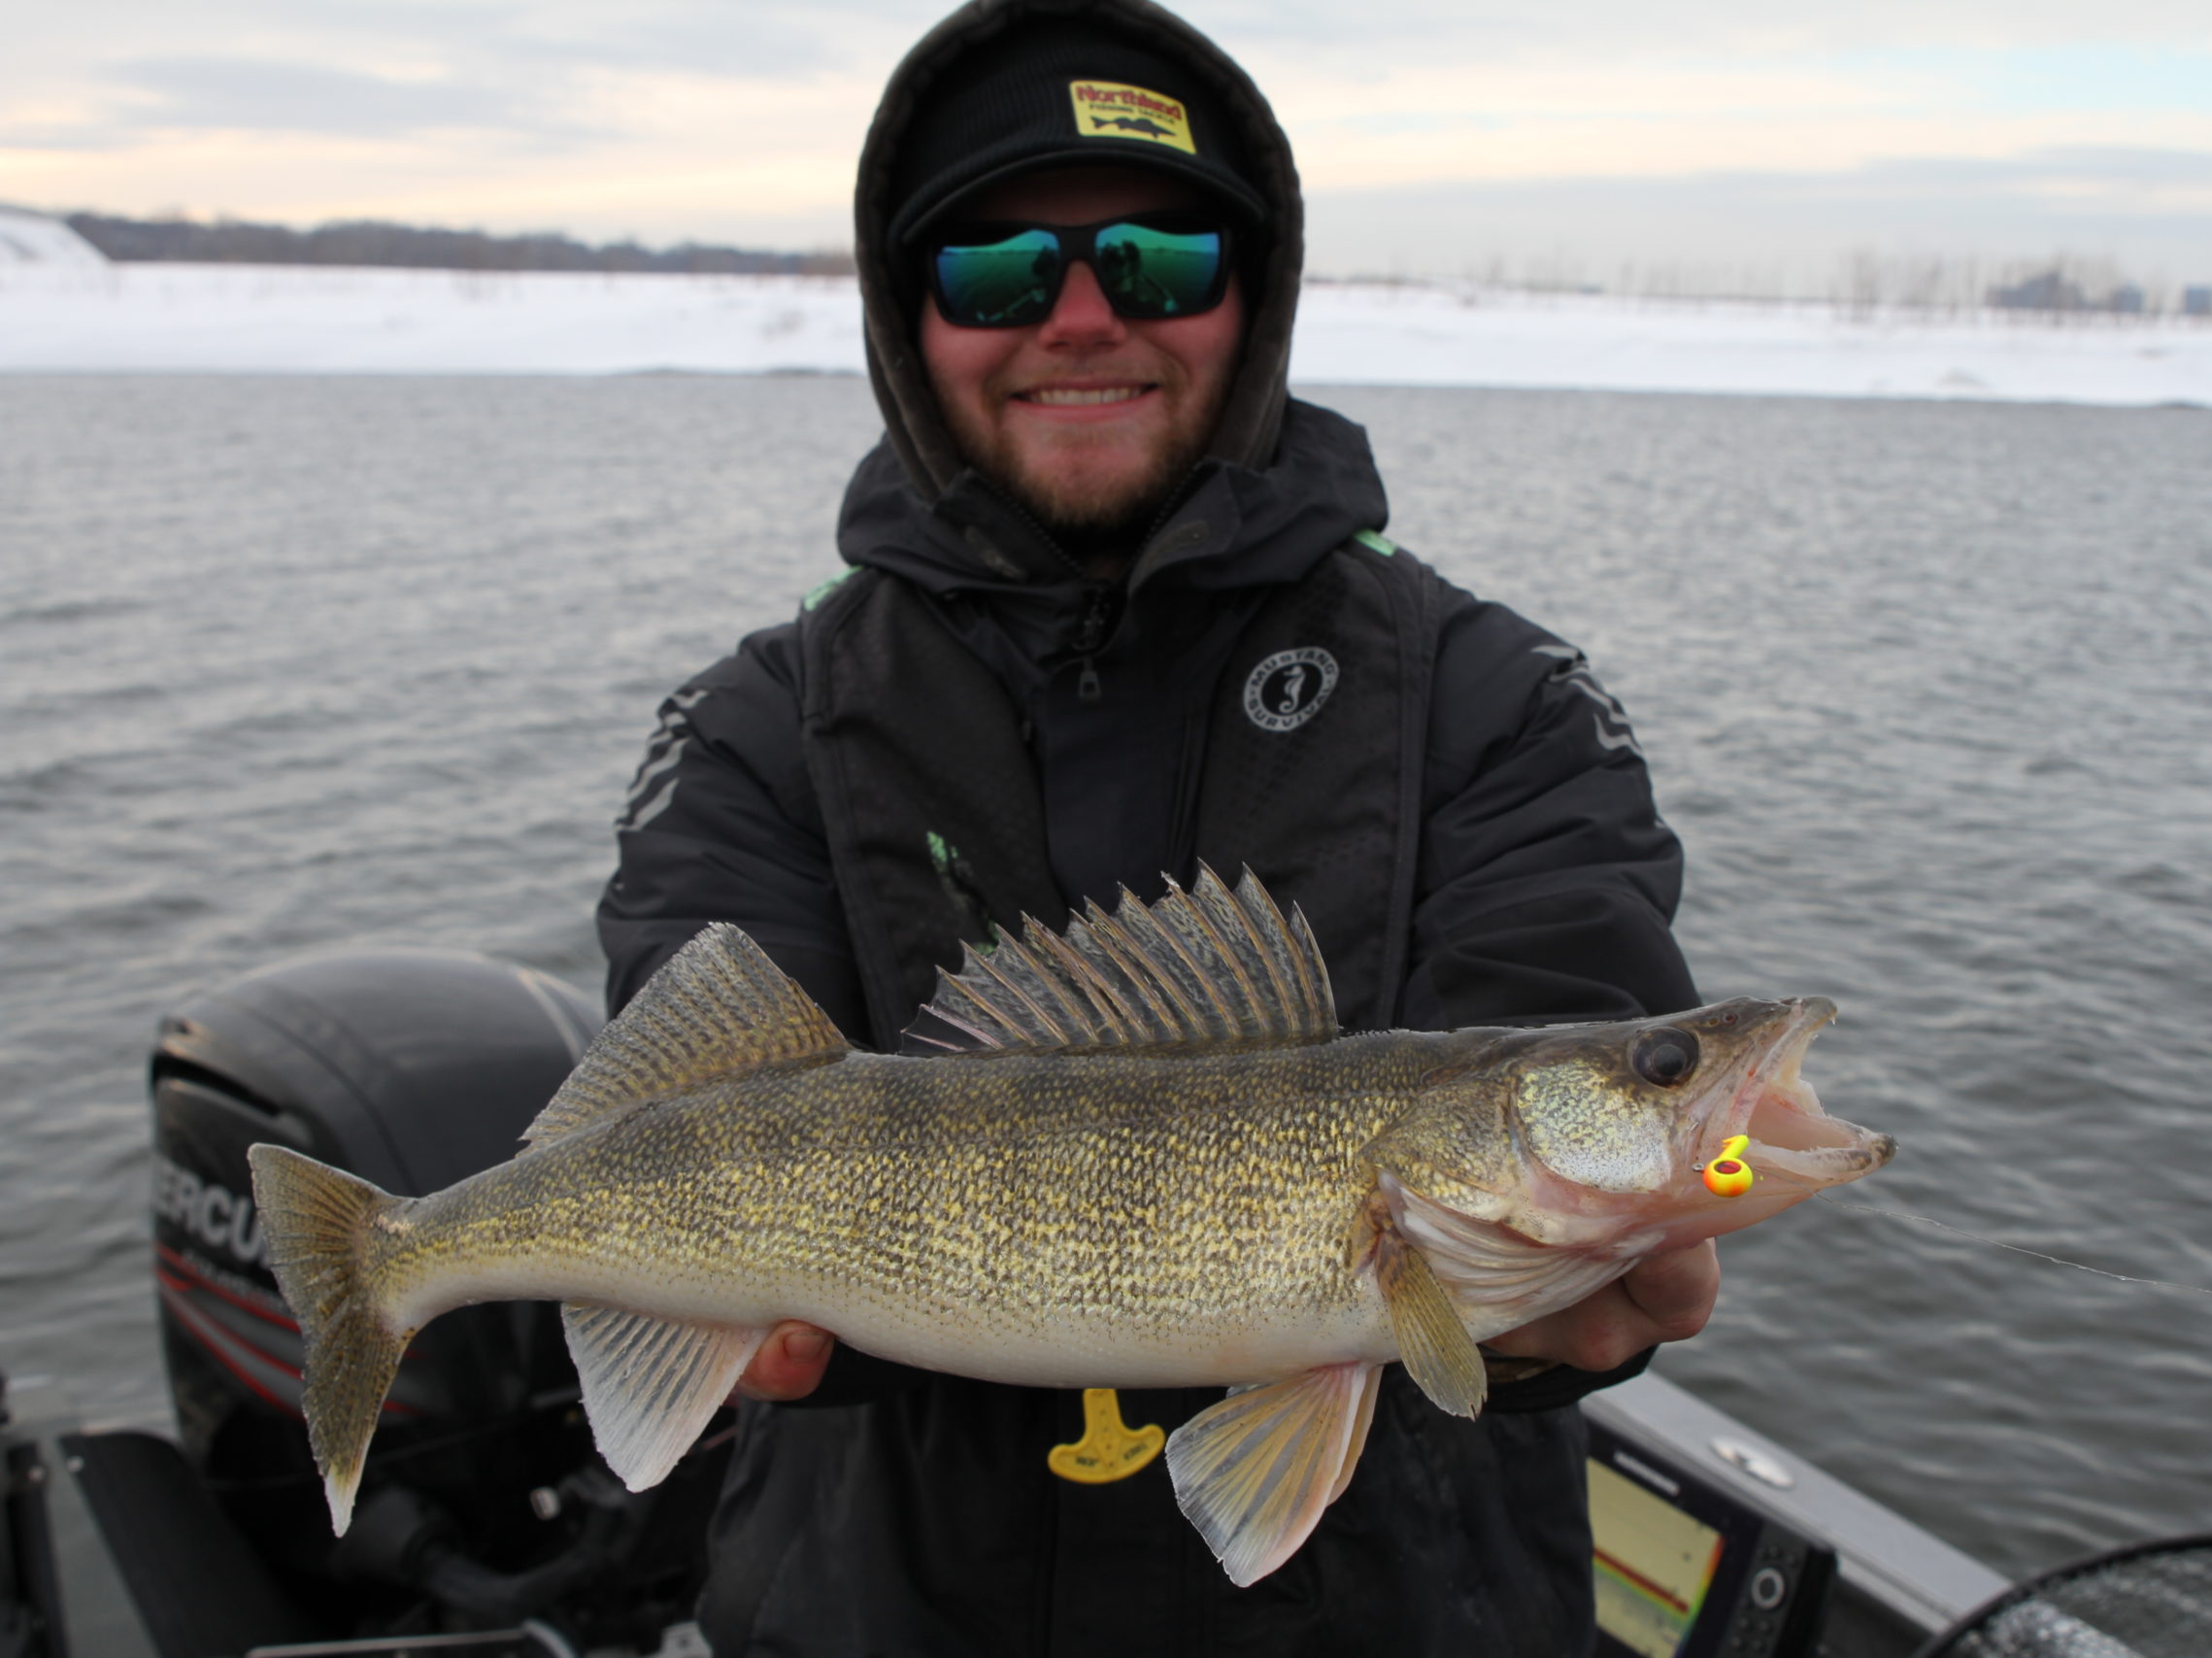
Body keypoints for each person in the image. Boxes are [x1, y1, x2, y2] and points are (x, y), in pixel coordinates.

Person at [597, 0, 1717, 1650]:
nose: (1077, 319)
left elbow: (1588, 1040)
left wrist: (1598, 1267)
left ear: (1252, 297)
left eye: (1157, 259)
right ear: (911, 324)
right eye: (992, 272)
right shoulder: (762, 730)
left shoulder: (1493, 698)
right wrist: (710, 1323)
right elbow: (699, 1098)